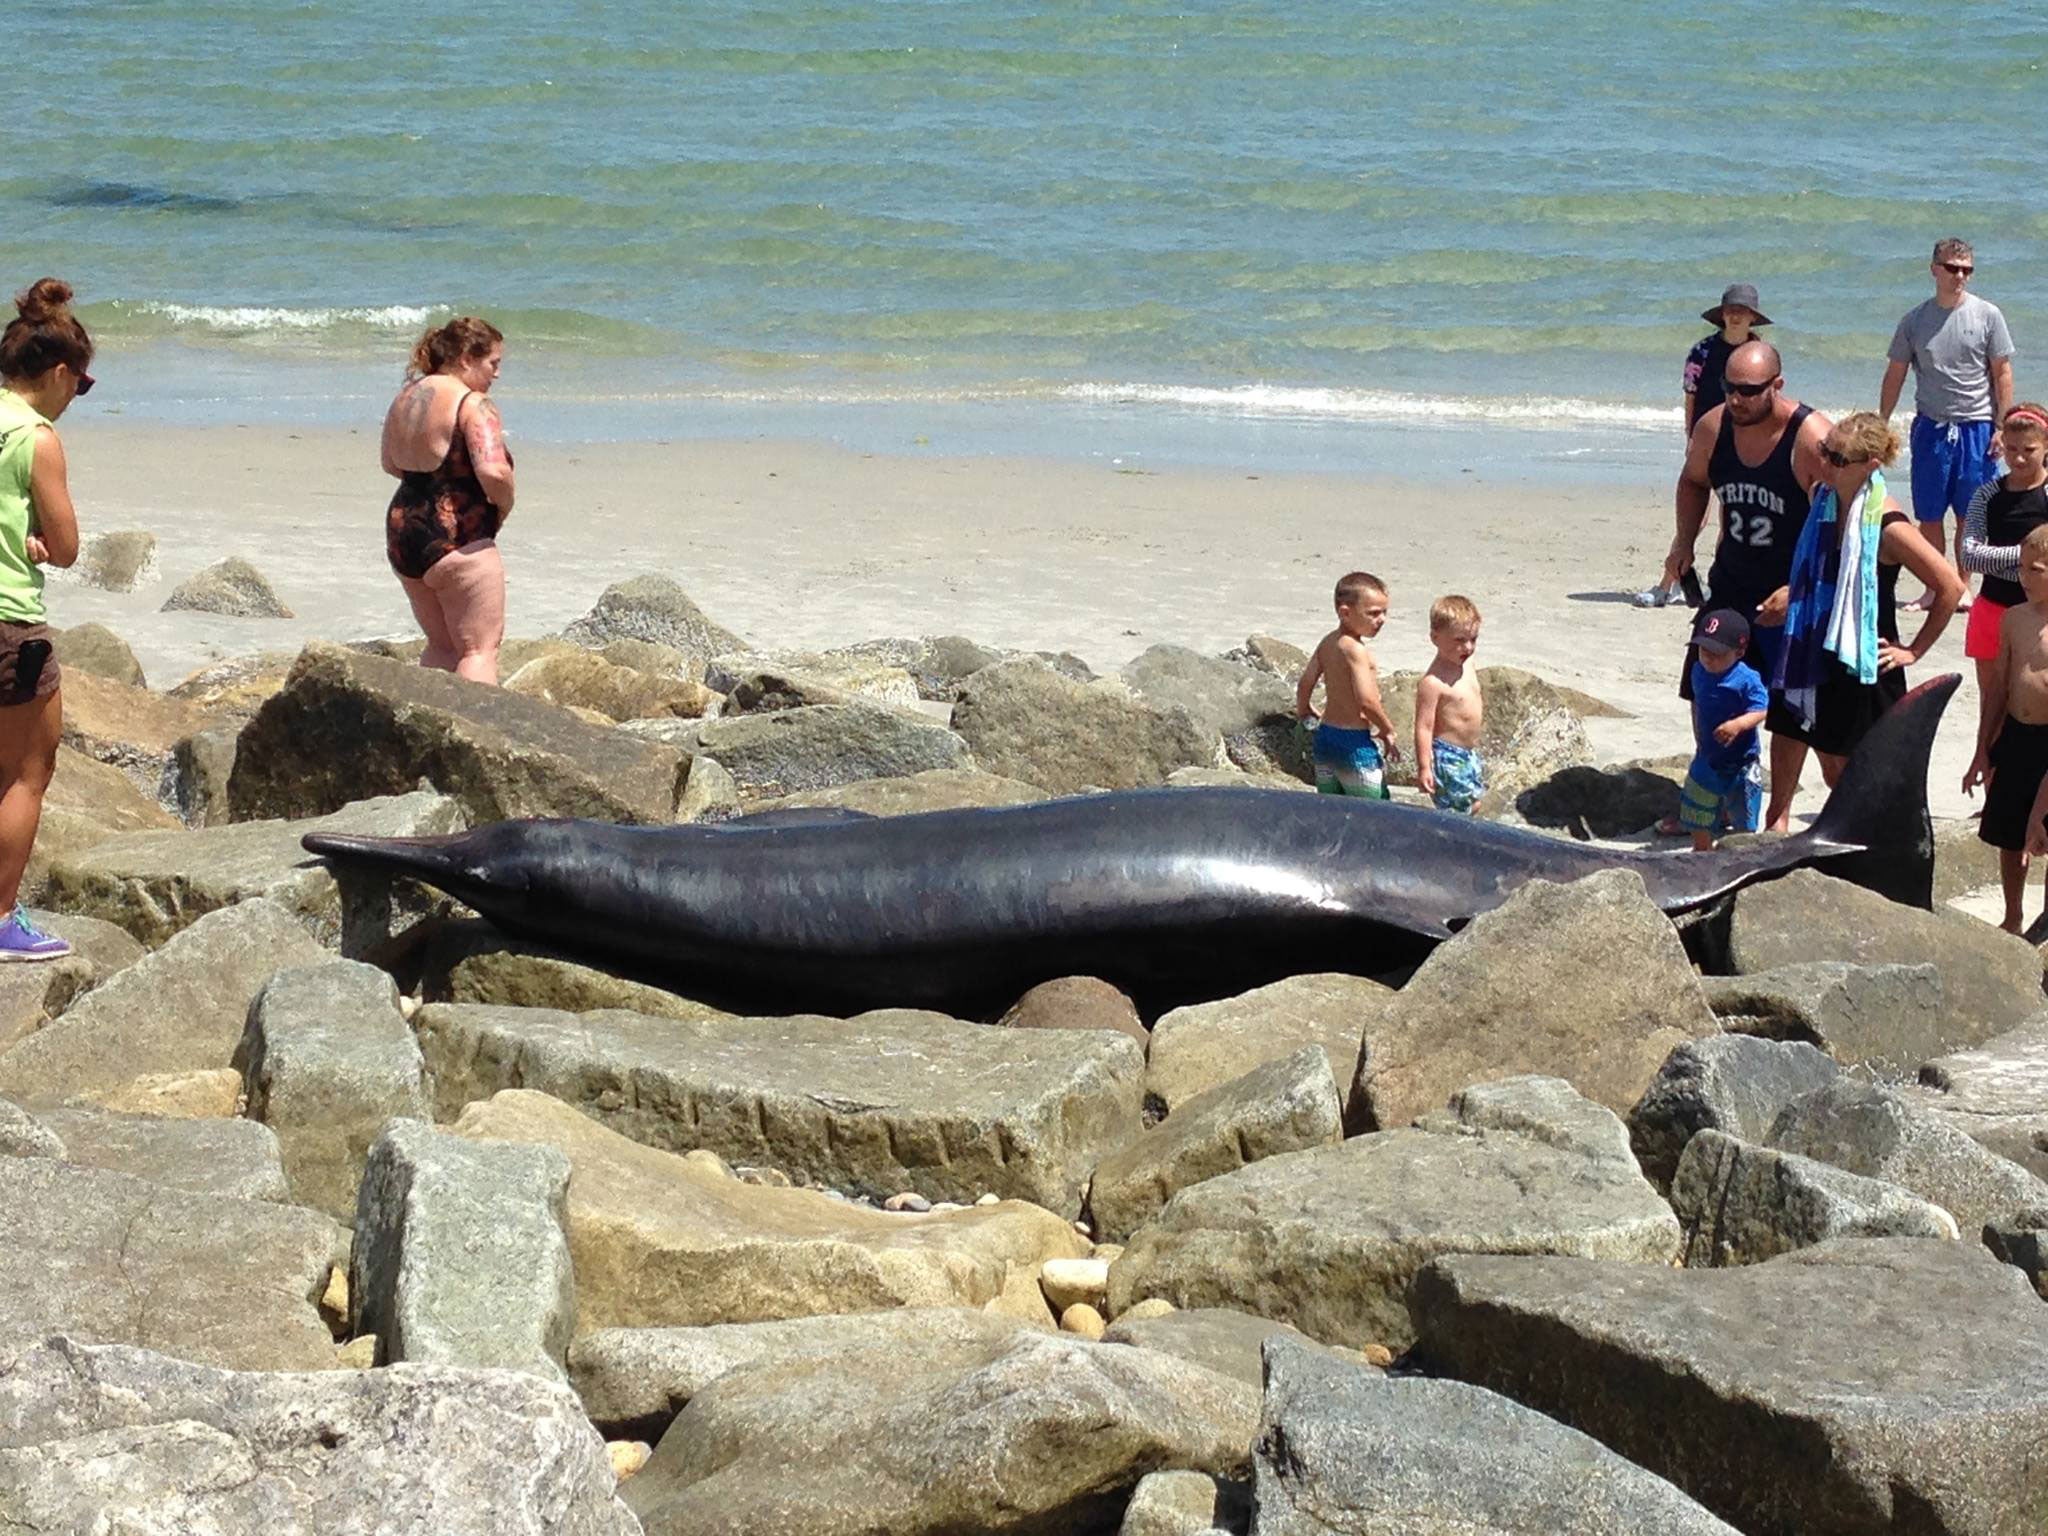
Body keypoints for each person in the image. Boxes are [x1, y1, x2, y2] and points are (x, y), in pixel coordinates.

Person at [1655, 338, 1832, 831]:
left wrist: (1798, 592)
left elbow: (1841, 524)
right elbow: (1692, 481)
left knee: (1788, 706)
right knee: (1706, 685)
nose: (1737, 399)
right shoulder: (1715, 427)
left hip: (1788, 593)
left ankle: (1778, 814)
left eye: (1750, 391)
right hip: (1731, 585)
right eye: (1730, 388)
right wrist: (1683, 540)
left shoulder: (1810, 437)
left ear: (1777, 384)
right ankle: (1711, 798)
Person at [1770, 412, 1961, 788]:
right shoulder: (1823, 497)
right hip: (1816, 643)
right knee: (1830, 767)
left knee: (1857, 775)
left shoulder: (1889, 526)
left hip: (1863, 657)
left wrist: (1915, 650)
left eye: (1838, 459)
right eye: (1825, 451)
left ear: (1869, 465)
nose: (1824, 462)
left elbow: (1950, 587)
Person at [0, 279, 91, 961]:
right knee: (28, 769)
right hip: (7, 618)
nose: (75, 400)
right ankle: (0, 919)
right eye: (81, 387)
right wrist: (37, 543)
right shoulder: (37, 437)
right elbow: (65, 548)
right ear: (60, 373)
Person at [1878, 237, 2014, 612]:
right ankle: (1934, 587)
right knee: (1929, 514)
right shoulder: (1915, 320)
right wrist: (1882, 422)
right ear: (1934, 268)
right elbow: (1896, 373)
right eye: (1953, 268)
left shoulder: (1988, 315)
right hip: (1932, 428)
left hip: (1976, 428)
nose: (1960, 276)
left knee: (1971, 513)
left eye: (1967, 269)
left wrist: (2003, 425)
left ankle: (1962, 585)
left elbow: (2002, 372)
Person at [381, 316, 515, 684]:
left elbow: (390, 463)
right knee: (479, 649)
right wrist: (504, 504)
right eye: (493, 363)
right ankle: (477, 736)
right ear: (466, 359)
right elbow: (494, 471)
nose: (497, 374)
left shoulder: (405, 397)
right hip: (458, 534)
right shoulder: (473, 404)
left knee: (441, 646)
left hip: (403, 529)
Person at [1637, 284, 1772, 608]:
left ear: (1753, 317)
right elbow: (1691, 397)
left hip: (1746, 442)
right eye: (1731, 309)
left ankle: (1721, 584)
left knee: (1732, 518)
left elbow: (1771, 402)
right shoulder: (1702, 351)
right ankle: (1666, 585)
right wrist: (1691, 438)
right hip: (1708, 439)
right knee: (1694, 520)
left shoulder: (1761, 356)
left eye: (1743, 310)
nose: (1736, 315)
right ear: (1722, 315)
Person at [1964, 524, 2048, 933]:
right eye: (2022, 569)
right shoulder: (2014, 618)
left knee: (2044, 827)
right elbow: (1998, 687)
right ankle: (2012, 914)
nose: (2023, 578)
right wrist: (1983, 748)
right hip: (2016, 735)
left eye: (2036, 570)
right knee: (2009, 833)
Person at [1960, 403, 2048, 747]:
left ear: (2046, 447)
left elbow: (1986, 555)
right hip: (1992, 609)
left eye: (2029, 450)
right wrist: (2030, 557)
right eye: (2011, 450)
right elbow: (1970, 555)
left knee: (2037, 705)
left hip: (2042, 614)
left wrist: (2003, 559)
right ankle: (1993, 797)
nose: (2019, 458)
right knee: (1993, 707)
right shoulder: (1987, 494)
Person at [1297, 571, 1399, 798]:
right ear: (1345, 613)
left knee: (1332, 808)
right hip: (1354, 745)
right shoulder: (1356, 651)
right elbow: (1366, 701)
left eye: (1384, 612)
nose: (1382, 619)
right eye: (1373, 613)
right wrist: (1387, 729)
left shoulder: (1328, 642)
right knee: (1374, 813)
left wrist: (1304, 709)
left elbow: (1305, 683)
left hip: (1326, 739)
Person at [1679, 609, 1768, 851]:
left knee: (1745, 816)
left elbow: (1762, 709)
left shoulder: (1747, 679)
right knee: (1696, 806)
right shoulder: (1698, 670)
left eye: (1716, 653)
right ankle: (1702, 850)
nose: (1708, 657)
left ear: (1739, 652)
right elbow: (1698, 702)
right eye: (1703, 649)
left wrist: (1738, 724)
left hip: (1741, 761)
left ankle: (1738, 851)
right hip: (1708, 756)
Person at [1414, 594, 1484, 812]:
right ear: (1435, 638)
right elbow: (1424, 727)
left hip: (1469, 752)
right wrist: (1425, 767)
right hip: (1449, 756)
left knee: (1475, 803)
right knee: (1459, 810)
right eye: (1459, 640)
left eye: (1473, 639)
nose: (1468, 647)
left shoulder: (1468, 663)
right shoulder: (1433, 682)